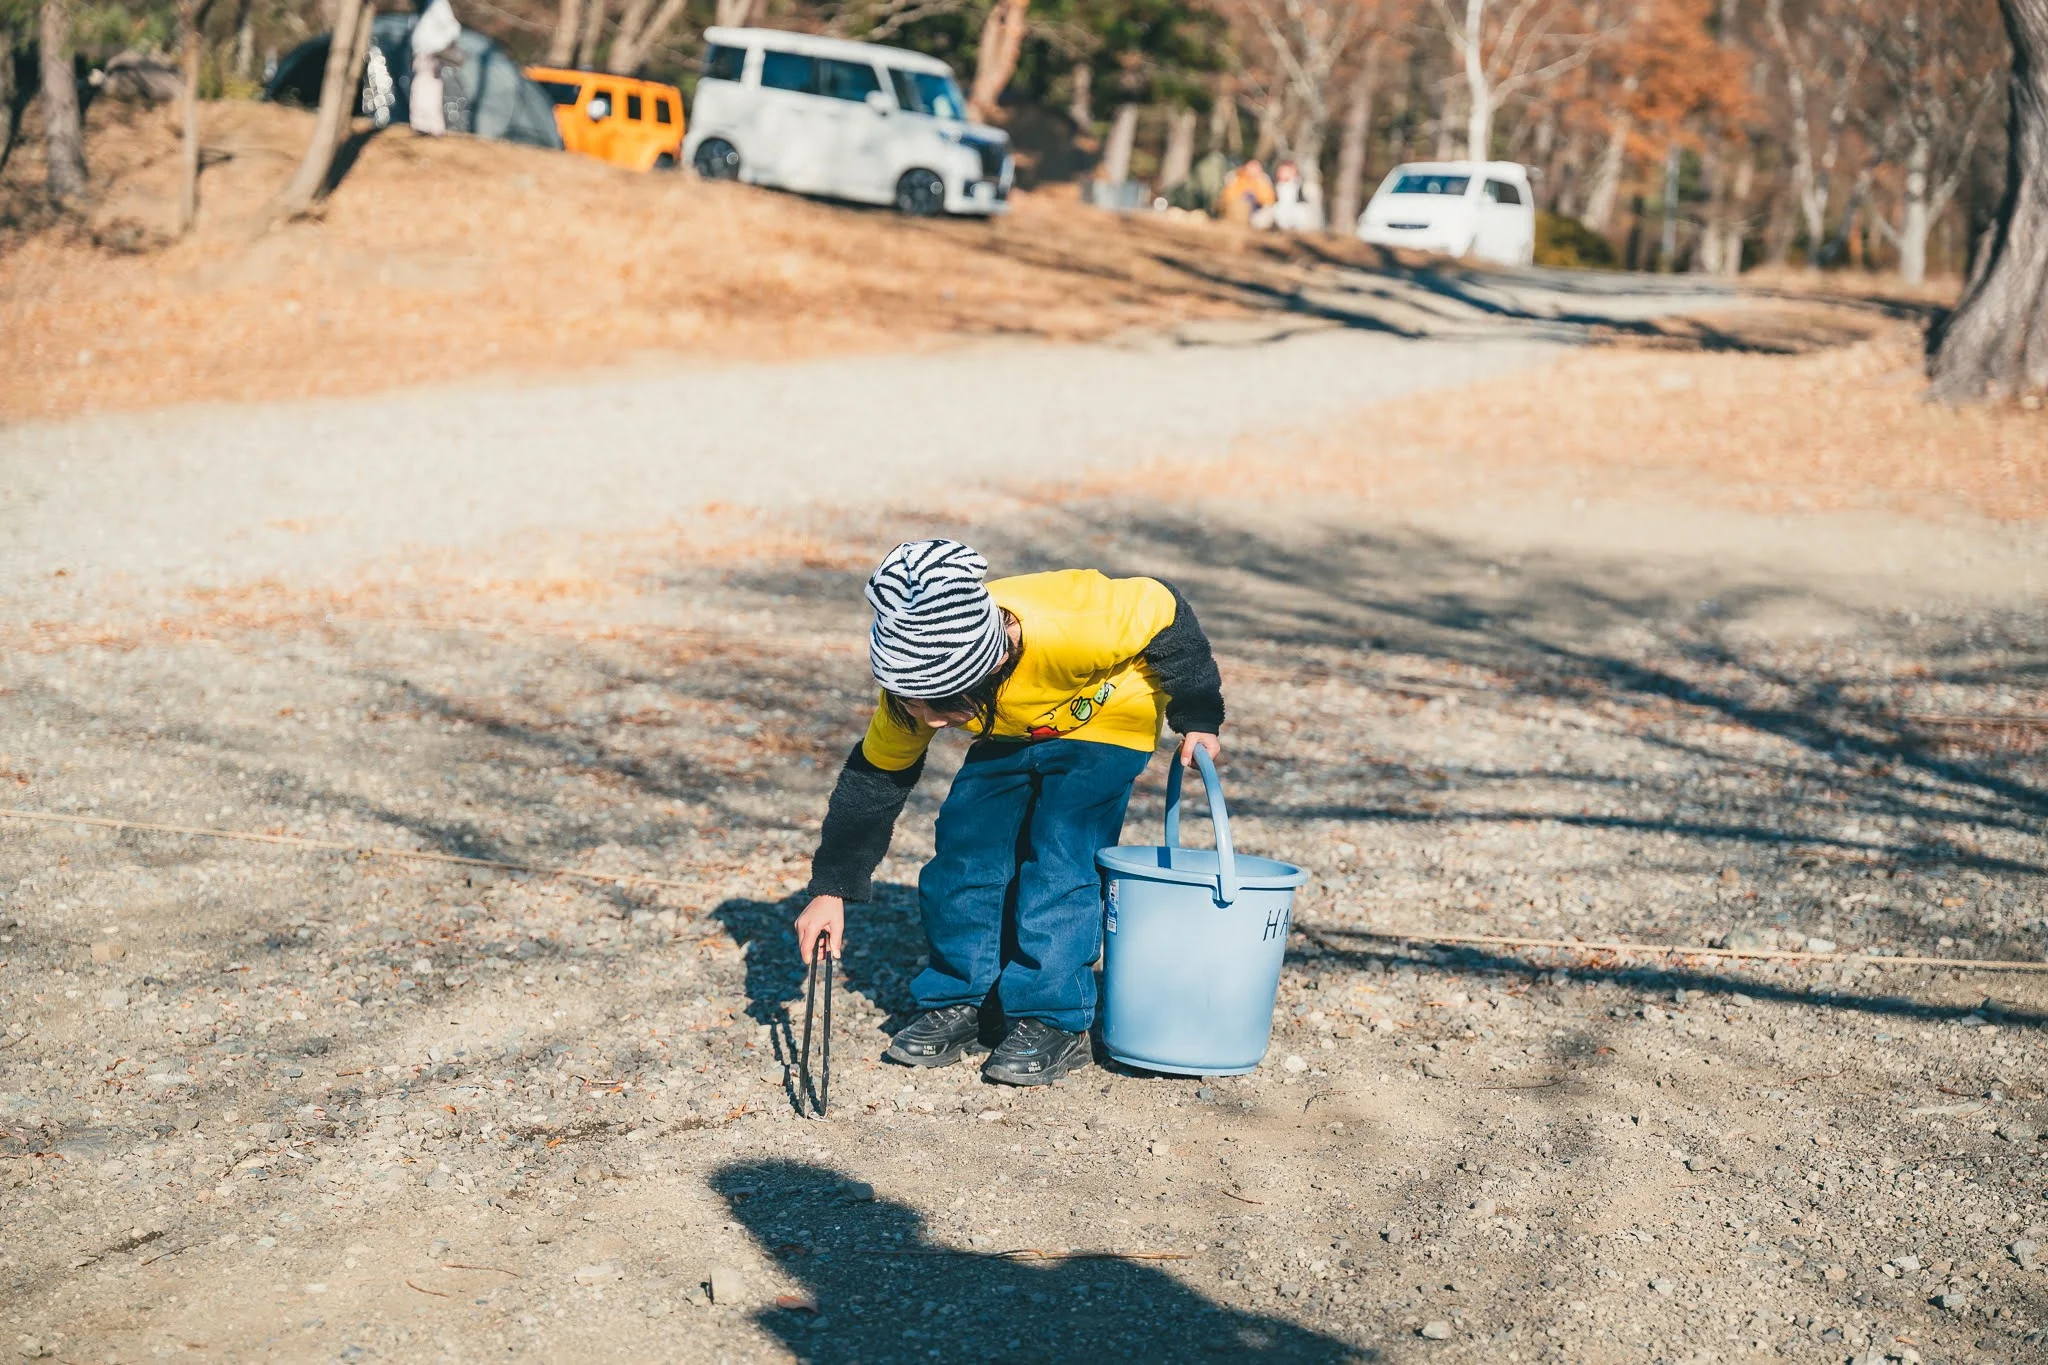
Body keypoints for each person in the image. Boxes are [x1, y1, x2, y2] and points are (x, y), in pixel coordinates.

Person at [794, 540, 1226, 1087]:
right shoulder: (912, 694)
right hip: (1010, 725)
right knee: (965, 848)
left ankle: (1052, 1016)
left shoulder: (1077, 624)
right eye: (913, 705)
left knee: (1061, 858)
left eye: (943, 706)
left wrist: (1198, 717)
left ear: (990, 664)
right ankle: (963, 996)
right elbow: (874, 783)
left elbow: (1166, 612)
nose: (926, 723)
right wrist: (832, 886)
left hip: (1108, 717)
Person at [408, 0, 460, 136]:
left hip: (432, 54)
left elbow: (453, 28)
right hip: (422, 53)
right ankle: (422, 125)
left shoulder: (438, 3)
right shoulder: (424, 6)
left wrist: (437, 47)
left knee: (429, 88)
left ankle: (431, 127)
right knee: (421, 87)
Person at [1219, 158, 1276, 226]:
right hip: (1237, 213)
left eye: (1256, 167)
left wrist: (1257, 193)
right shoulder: (1236, 177)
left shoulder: (1263, 180)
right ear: (1246, 166)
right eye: (1251, 166)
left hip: (1256, 213)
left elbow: (1269, 201)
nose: (1253, 170)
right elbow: (1228, 197)